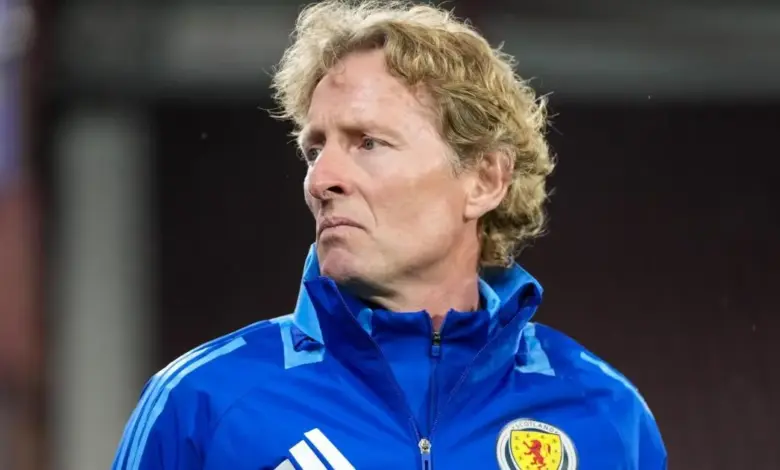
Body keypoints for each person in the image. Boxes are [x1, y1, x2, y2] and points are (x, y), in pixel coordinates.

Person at [112, 1, 667, 469]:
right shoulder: (203, 404)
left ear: (484, 179)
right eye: (314, 149)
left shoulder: (606, 417)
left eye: (368, 143)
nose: (320, 181)